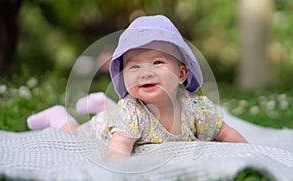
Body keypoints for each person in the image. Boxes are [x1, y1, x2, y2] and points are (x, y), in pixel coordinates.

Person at [27, 15, 247, 161]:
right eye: (134, 66)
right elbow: (119, 148)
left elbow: (223, 131)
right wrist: (118, 172)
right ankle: (57, 115)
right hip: (106, 128)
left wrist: (249, 151)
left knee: (119, 115)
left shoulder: (196, 109)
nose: (145, 73)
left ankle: (99, 104)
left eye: (158, 62)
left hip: (121, 116)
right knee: (74, 133)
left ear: (181, 74)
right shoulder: (132, 112)